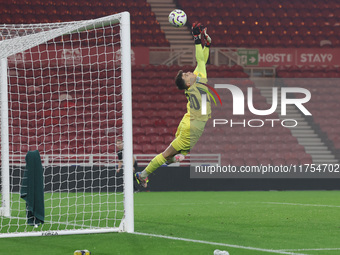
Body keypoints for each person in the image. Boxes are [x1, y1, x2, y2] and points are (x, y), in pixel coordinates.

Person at [135, 23, 212, 188]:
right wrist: (198, 39)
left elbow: (202, 61)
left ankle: (179, 156)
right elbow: (200, 60)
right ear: (187, 83)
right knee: (166, 155)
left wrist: (207, 44)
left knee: (175, 154)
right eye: (185, 75)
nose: (188, 72)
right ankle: (142, 175)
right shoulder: (198, 84)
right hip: (193, 126)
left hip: (189, 122)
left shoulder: (196, 81)